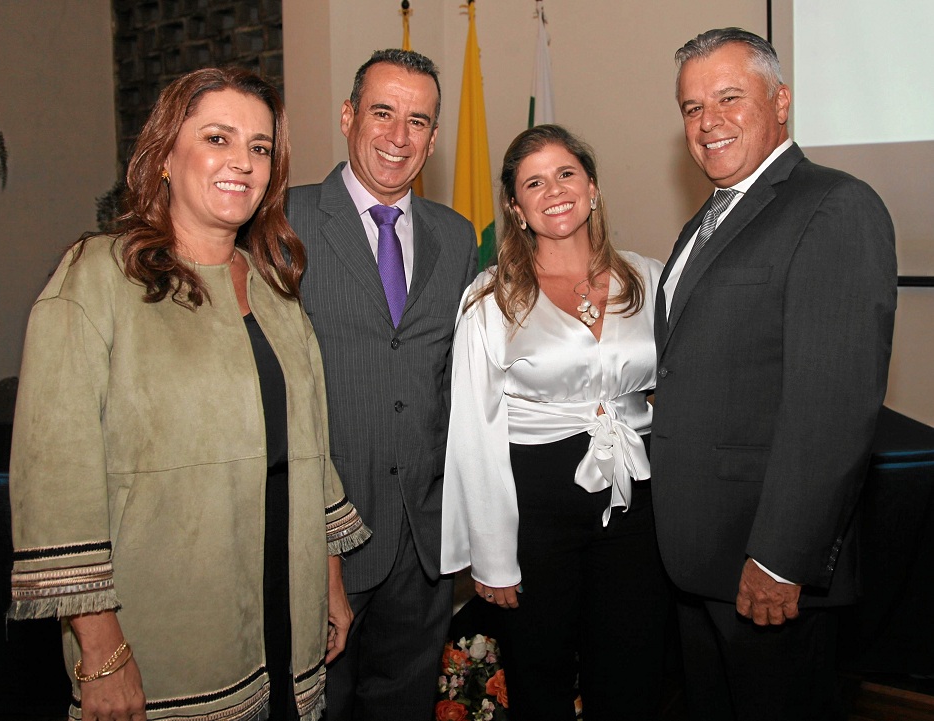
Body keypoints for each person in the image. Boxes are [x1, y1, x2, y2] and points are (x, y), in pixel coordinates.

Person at [7, 67, 370, 721]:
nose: (243, 162)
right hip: (165, 638)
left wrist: (330, 580)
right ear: (164, 157)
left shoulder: (275, 289)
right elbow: (55, 481)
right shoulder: (97, 278)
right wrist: (102, 651)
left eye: (260, 147)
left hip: (288, 616)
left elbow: (311, 452)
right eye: (217, 138)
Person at [652, 28, 898, 720]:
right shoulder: (707, 219)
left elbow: (832, 405)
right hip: (698, 560)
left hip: (763, 568)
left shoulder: (834, 206)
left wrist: (781, 557)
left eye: (729, 97)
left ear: (781, 101)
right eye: (692, 107)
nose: (708, 121)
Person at [441, 124, 670, 720]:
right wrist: (492, 556)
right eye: (534, 183)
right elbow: (473, 431)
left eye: (566, 173)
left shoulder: (650, 279)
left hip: (637, 502)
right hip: (535, 508)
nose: (555, 190)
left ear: (592, 187)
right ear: (516, 209)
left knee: (632, 672)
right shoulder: (491, 300)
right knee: (539, 677)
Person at [286, 49, 477, 721]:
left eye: (417, 121)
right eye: (382, 113)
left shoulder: (456, 237)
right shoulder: (284, 220)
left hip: (421, 544)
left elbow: (455, 384)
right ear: (348, 117)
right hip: (321, 542)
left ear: (434, 136)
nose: (399, 136)